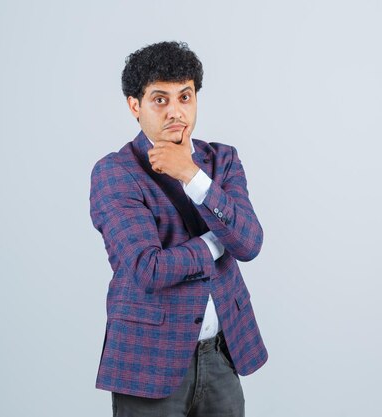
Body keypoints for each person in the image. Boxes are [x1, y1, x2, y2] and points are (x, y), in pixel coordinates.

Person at [90, 41, 267, 417]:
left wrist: (191, 174)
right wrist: (215, 243)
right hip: (149, 359)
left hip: (221, 355)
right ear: (134, 106)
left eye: (185, 97)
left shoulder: (221, 160)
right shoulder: (115, 173)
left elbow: (249, 243)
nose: (176, 111)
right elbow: (147, 268)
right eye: (160, 99)